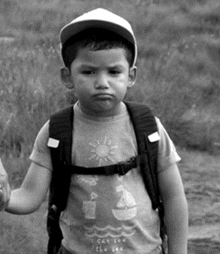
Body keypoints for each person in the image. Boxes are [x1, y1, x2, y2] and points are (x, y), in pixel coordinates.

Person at [0, 8, 188, 254]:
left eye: (114, 72)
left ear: (131, 76)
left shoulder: (148, 128)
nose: (102, 82)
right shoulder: (57, 131)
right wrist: (4, 199)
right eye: (88, 72)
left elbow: (174, 198)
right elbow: (30, 196)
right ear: (67, 77)